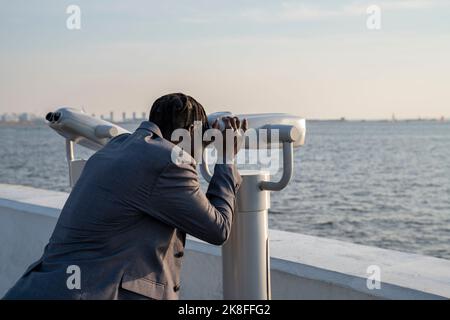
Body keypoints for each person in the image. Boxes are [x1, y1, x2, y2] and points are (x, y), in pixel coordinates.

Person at [3, 93, 247, 300]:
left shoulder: (115, 147)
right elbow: (218, 229)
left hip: (42, 286)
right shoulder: (170, 162)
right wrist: (226, 159)